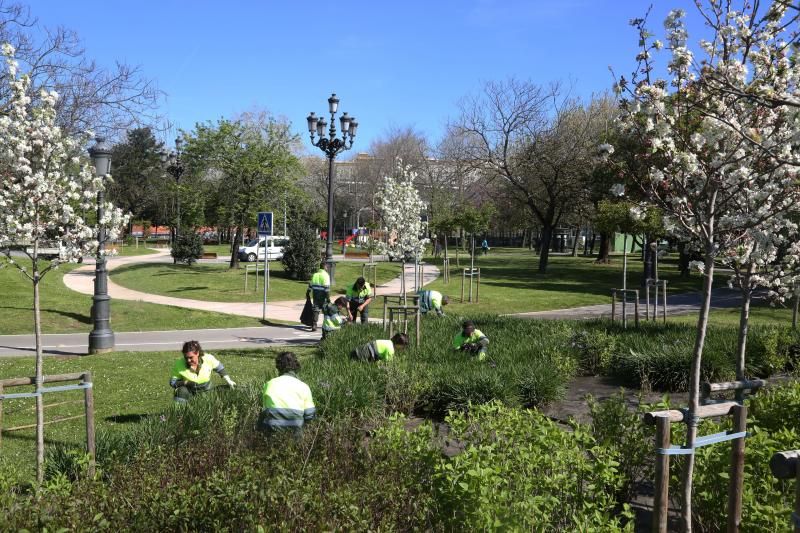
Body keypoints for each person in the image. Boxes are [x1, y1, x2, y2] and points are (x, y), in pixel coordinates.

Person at [258, 351, 315, 433]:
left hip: (272, 432)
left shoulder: (269, 384)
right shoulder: (304, 386)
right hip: (296, 432)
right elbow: (310, 415)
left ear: (278, 367)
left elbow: (265, 410)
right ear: (296, 366)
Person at [170, 340, 236, 402]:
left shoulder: (208, 358)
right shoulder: (179, 364)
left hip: (207, 391)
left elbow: (220, 368)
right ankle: (180, 412)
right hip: (191, 393)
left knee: (232, 389)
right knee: (182, 391)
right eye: (186, 357)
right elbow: (173, 383)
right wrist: (186, 383)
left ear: (197, 353)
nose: (188, 360)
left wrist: (228, 379)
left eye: (191, 357)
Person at [305, 262, 330, 332]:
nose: (327, 268)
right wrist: (328, 298)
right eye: (327, 267)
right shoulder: (326, 275)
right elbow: (327, 289)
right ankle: (325, 325)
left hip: (315, 294)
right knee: (325, 310)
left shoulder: (315, 274)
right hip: (323, 295)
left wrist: (308, 292)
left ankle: (314, 325)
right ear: (324, 267)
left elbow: (310, 284)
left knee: (316, 310)